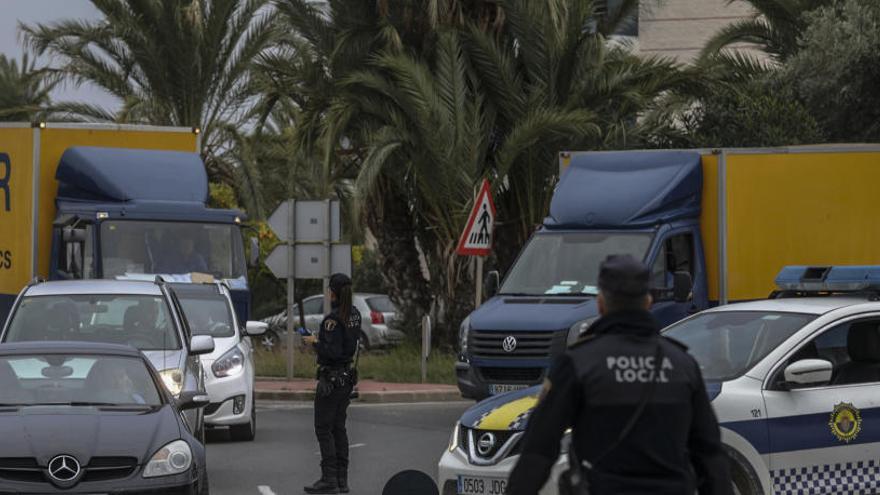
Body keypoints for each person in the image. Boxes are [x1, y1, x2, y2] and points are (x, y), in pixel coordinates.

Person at [507, 255, 731, 495]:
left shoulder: (578, 362)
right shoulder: (682, 364)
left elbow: (538, 451)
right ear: (648, 302)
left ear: (601, 303)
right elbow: (710, 455)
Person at [302, 273, 361, 494]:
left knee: (323, 429)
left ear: (333, 292)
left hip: (331, 380)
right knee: (338, 428)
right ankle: (342, 480)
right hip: (346, 380)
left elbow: (332, 351)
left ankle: (329, 479)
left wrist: (315, 342)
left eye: (329, 290)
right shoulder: (354, 315)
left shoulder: (332, 320)